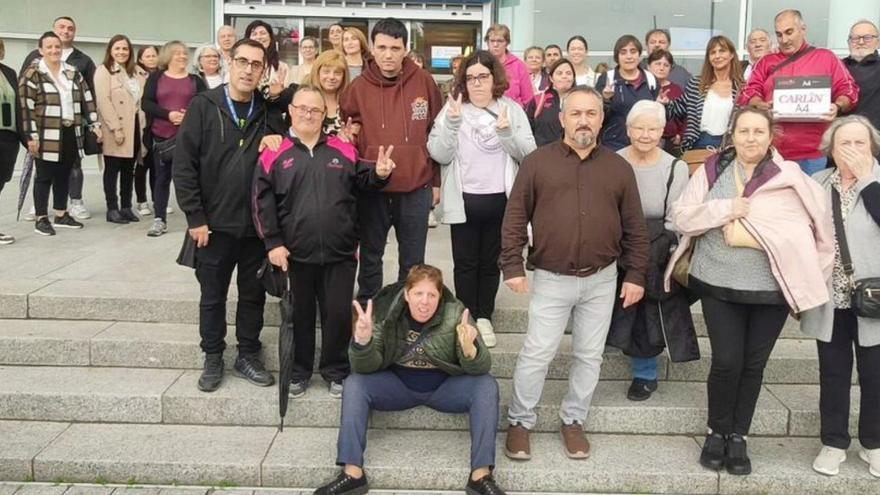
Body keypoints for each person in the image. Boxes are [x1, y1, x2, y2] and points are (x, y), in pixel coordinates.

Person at [665, 106, 834, 475]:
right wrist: (726, 209)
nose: (751, 138)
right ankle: (716, 430)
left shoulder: (789, 176)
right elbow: (681, 215)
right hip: (719, 282)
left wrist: (805, 272)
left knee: (754, 365)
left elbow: (814, 227)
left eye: (759, 131)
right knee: (727, 361)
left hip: (770, 289)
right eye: (744, 131)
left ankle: (739, 435)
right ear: (732, 133)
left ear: (771, 135)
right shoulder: (713, 169)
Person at [501, 87, 649, 461]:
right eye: (576, 113)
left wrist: (635, 275)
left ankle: (573, 420)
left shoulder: (618, 168)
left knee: (589, 355)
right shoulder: (537, 163)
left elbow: (634, 226)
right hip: (551, 279)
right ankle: (520, 422)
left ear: (602, 119)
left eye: (592, 113)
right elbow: (515, 217)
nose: (584, 120)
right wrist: (512, 265)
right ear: (562, 118)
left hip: (602, 280)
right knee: (537, 353)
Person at [311, 264, 506, 495]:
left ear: (439, 296)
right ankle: (353, 473)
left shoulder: (456, 313)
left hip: (443, 387)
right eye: (418, 294)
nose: (424, 302)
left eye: (432, 294)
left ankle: (480, 476)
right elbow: (365, 367)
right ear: (406, 294)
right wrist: (362, 343)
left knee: (486, 386)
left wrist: (470, 350)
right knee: (355, 383)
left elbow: (481, 369)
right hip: (398, 385)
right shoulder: (386, 313)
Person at [254, 85, 392, 399]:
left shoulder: (343, 149)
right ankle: (300, 371)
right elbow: (260, 202)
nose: (308, 114)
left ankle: (335, 370)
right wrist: (273, 243)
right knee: (299, 314)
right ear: (290, 111)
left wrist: (380, 174)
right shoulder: (275, 152)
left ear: (324, 114)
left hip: (341, 252)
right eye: (302, 108)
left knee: (338, 314)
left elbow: (363, 182)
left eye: (315, 110)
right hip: (294, 253)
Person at [173, 38, 284, 393]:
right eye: (242, 61)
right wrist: (195, 217)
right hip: (213, 226)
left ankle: (248, 354)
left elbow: (285, 165)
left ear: (263, 70)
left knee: (253, 295)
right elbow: (184, 165)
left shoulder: (269, 113)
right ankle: (213, 355)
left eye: (256, 64)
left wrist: (277, 143)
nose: (248, 69)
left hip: (255, 226)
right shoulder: (203, 106)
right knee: (213, 295)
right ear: (228, 63)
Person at [428, 50, 537, 348]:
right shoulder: (453, 108)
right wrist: (451, 124)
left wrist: (506, 134)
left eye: (483, 77)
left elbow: (530, 154)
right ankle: (467, 318)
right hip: (463, 201)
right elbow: (438, 153)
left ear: (494, 79)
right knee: (464, 263)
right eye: (470, 77)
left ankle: (485, 316)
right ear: (463, 81)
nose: (476, 83)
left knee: (490, 263)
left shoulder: (511, 109)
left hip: (500, 201)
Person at [340, 17, 443, 303]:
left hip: (415, 187)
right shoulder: (358, 87)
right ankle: (369, 311)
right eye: (382, 47)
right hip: (373, 188)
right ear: (371, 48)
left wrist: (436, 182)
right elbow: (350, 129)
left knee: (412, 260)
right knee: (371, 256)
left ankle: (404, 312)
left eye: (395, 48)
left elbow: (436, 133)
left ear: (405, 50)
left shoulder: (424, 82)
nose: (388, 54)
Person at [808, 115, 880, 478]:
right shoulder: (818, 183)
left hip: (874, 298)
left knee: (876, 374)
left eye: (860, 143)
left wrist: (867, 178)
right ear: (831, 150)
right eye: (844, 144)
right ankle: (833, 442)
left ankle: (875, 444)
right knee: (833, 373)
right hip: (830, 298)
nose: (852, 151)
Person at [606, 101, 693, 401]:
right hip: (614, 241)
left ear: (662, 131)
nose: (645, 134)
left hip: (656, 245)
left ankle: (645, 373)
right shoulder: (612, 161)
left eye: (653, 128)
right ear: (628, 130)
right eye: (639, 128)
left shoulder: (675, 167)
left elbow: (675, 218)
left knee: (646, 301)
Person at [738, 9, 859, 175]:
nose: (784, 40)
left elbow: (849, 89)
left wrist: (837, 106)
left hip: (814, 154)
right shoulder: (766, 62)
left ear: (803, 29)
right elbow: (748, 92)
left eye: (789, 32)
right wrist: (762, 105)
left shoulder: (826, 57)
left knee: (811, 200)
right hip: (772, 152)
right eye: (779, 35)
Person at [20, 31, 101, 236]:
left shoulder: (72, 71)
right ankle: (41, 217)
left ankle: (61, 213)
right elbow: (25, 108)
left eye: (57, 46)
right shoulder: (33, 73)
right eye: (49, 47)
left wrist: (94, 123)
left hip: (70, 131)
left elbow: (87, 99)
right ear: (41, 50)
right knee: (44, 176)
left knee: (64, 174)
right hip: (44, 133)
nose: (54, 50)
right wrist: (31, 136)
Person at [142, 40, 207, 237]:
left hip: (189, 139)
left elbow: (205, 105)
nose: (182, 56)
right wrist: (167, 114)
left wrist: (189, 115)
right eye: (177, 53)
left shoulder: (196, 80)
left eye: (184, 53)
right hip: (162, 137)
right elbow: (146, 103)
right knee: (161, 179)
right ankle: (159, 219)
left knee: (194, 179)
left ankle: (199, 219)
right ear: (167, 56)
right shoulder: (156, 78)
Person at [94, 34, 147, 225]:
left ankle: (126, 206)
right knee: (113, 169)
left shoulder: (138, 72)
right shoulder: (104, 71)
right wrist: (115, 128)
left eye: (125, 49)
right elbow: (103, 101)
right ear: (110, 50)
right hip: (115, 127)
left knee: (128, 169)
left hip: (135, 127)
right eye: (117, 48)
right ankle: (112, 208)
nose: (121, 52)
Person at [663, 36, 743, 153]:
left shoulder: (743, 87)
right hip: (699, 142)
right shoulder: (696, 84)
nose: (717, 56)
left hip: (731, 145)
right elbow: (677, 110)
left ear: (731, 55)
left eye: (722, 51)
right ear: (709, 58)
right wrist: (664, 104)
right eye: (713, 52)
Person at [595, 35, 660, 151]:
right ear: (617, 57)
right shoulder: (606, 79)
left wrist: (664, 106)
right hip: (613, 145)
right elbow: (596, 115)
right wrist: (605, 99)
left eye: (633, 51)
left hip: (644, 143)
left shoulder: (651, 79)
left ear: (639, 55)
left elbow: (659, 116)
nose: (629, 56)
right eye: (623, 52)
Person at [0, 39, 27, 245]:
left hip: (8, 137)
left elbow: (18, 107)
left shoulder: (9, 72)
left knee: (0, 181)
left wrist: (27, 139)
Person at [525, 58, 574, 147]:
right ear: (551, 78)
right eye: (559, 73)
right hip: (543, 155)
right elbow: (527, 130)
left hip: (573, 155)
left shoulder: (581, 100)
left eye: (568, 73)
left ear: (573, 78)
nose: (564, 76)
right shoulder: (539, 99)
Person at [135, 45, 159, 216]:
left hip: (157, 123)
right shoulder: (134, 75)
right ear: (141, 59)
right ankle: (141, 200)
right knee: (141, 165)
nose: (151, 58)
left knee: (156, 166)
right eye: (147, 56)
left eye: (153, 55)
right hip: (140, 123)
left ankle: (158, 200)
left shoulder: (163, 74)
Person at [484, 24, 533, 108]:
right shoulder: (480, 63)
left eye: (500, 41)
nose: (495, 44)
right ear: (487, 42)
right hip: (484, 114)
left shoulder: (519, 65)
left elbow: (528, 98)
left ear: (507, 43)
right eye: (492, 41)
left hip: (513, 115)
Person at [646, 49, 685, 153]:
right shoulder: (642, 88)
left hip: (671, 141)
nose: (661, 68)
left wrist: (680, 134)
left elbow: (686, 115)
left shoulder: (677, 90)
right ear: (648, 67)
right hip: (645, 139)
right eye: (658, 64)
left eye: (666, 65)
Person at [843, 20, 880, 130]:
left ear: (878, 42)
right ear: (848, 42)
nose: (861, 42)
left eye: (867, 38)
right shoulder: (837, 66)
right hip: (842, 134)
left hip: (875, 137)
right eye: (855, 38)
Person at [306, 50, 350, 136]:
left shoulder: (350, 101)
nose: (331, 77)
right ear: (317, 73)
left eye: (337, 73)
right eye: (326, 72)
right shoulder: (305, 99)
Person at [245, 20, 289, 100]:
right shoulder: (241, 65)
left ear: (270, 38)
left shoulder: (282, 67)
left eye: (263, 33)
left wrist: (275, 93)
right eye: (254, 34)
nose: (259, 37)